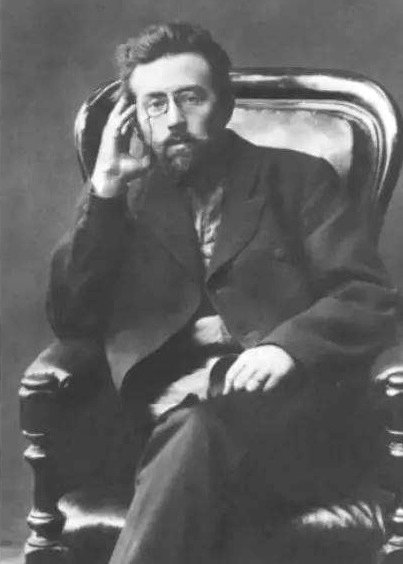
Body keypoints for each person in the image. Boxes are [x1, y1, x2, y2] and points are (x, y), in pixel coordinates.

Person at [47, 22, 398, 564]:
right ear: (134, 117)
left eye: (190, 98)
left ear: (226, 104)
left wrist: (287, 347)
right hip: (150, 429)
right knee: (188, 434)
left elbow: (368, 293)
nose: (173, 119)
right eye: (155, 104)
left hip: (285, 427)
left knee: (198, 433)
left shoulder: (298, 179)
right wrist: (105, 191)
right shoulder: (123, 199)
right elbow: (71, 316)